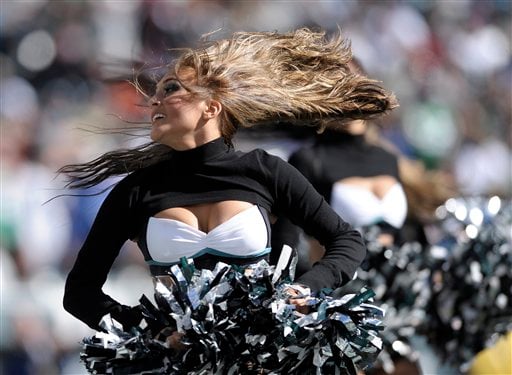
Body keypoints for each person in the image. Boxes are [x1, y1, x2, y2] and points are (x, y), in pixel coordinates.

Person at [61, 28, 397, 366]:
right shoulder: (137, 189)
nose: (154, 100)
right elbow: (79, 292)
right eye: (156, 91)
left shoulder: (264, 171)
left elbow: (346, 240)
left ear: (211, 107)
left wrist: (306, 288)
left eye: (171, 89)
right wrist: (152, 330)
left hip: (264, 362)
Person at [271, 58, 407, 268]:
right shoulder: (309, 161)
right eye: (339, 88)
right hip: (339, 292)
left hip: (393, 291)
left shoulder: (387, 158)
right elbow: (285, 243)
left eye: (356, 85)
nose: (350, 97)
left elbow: (405, 235)